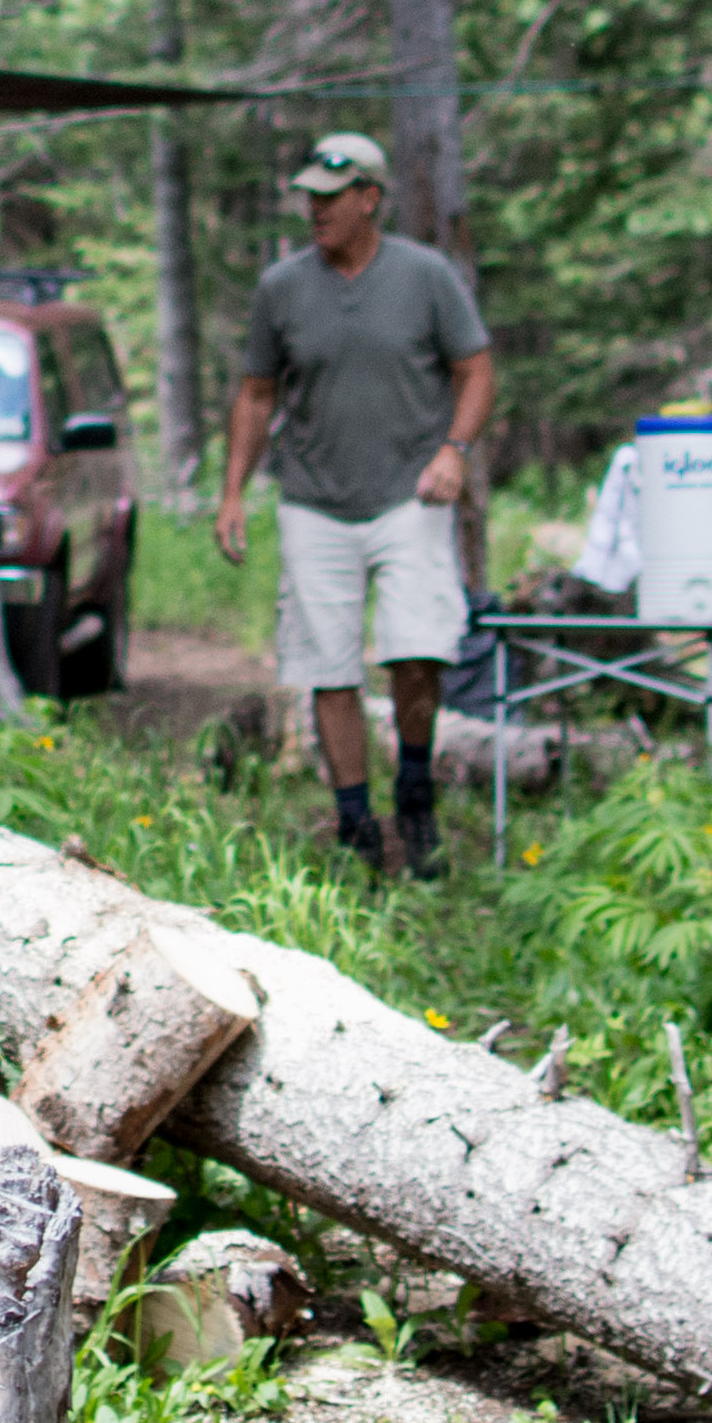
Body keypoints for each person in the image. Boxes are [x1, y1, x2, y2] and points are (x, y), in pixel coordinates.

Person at [211, 132, 494, 875]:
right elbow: (256, 392)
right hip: (313, 502)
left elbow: (476, 369)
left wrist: (453, 452)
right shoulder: (284, 287)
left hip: (409, 497)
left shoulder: (425, 277)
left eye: (331, 199)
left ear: (370, 198)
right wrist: (233, 490)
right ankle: (355, 822)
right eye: (309, 198)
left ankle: (415, 795)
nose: (316, 211)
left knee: (416, 653)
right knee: (328, 665)